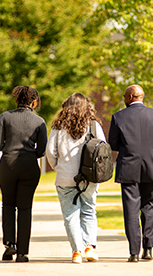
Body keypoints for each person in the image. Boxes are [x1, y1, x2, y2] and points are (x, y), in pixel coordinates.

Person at [108, 85, 153, 262]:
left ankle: (134, 253)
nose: (124, 99)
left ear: (132, 97)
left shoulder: (118, 117)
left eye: (125, 96)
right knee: (148, 207)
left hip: (128, 167)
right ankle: (148, 249)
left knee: (131, 210)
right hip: (151, 167)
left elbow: (113, 144)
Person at [46, 93, 105, 264]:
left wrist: (58, 166)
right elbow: (102, 150)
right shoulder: (94, 125)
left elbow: (50, 151)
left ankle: (77, 252)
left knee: (70, 215)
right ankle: (89, 247)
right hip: (90, 178)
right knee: (89, 211)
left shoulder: (58, 126)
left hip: (65, 177)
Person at [0, 86, 48, 263]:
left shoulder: (5, 117)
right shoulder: (39, 122)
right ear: (33, 102)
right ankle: (23, 253)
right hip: (29, 166)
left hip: (7, 164)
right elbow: (41, 151)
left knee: (7, 204)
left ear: (17, 100)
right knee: (25, 208)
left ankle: (9, 244)